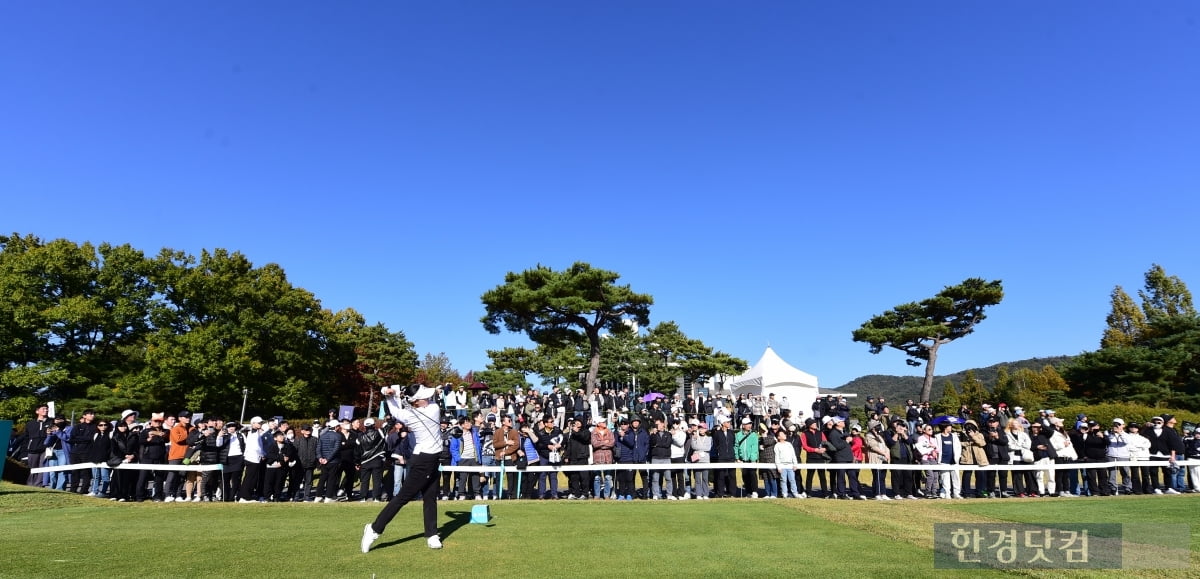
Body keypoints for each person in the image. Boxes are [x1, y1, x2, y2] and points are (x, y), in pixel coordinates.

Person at [363, 384, 448, 553]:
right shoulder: (428, 410)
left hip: (431, 459)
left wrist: (389, 395)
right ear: (416, 401)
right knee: (403, 497)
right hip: (423, 460)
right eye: (424, 397)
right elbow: (398, 410)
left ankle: (431, 534)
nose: (428, 398)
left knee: (430, 497)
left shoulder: (419, 411)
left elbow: (395, 411)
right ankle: (374, 529)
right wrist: (393, 394)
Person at [23, 403, 53, 488]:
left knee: (42, 468)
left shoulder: (51, 422)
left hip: (45, 449)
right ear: (37, 411)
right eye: (43, 409)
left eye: (47, 409)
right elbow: (26, 437)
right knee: (33, 468)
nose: (46, 410)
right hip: (33, 449)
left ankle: (38, 485)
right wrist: (24, 451)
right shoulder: (30, 423)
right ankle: (30, 484)